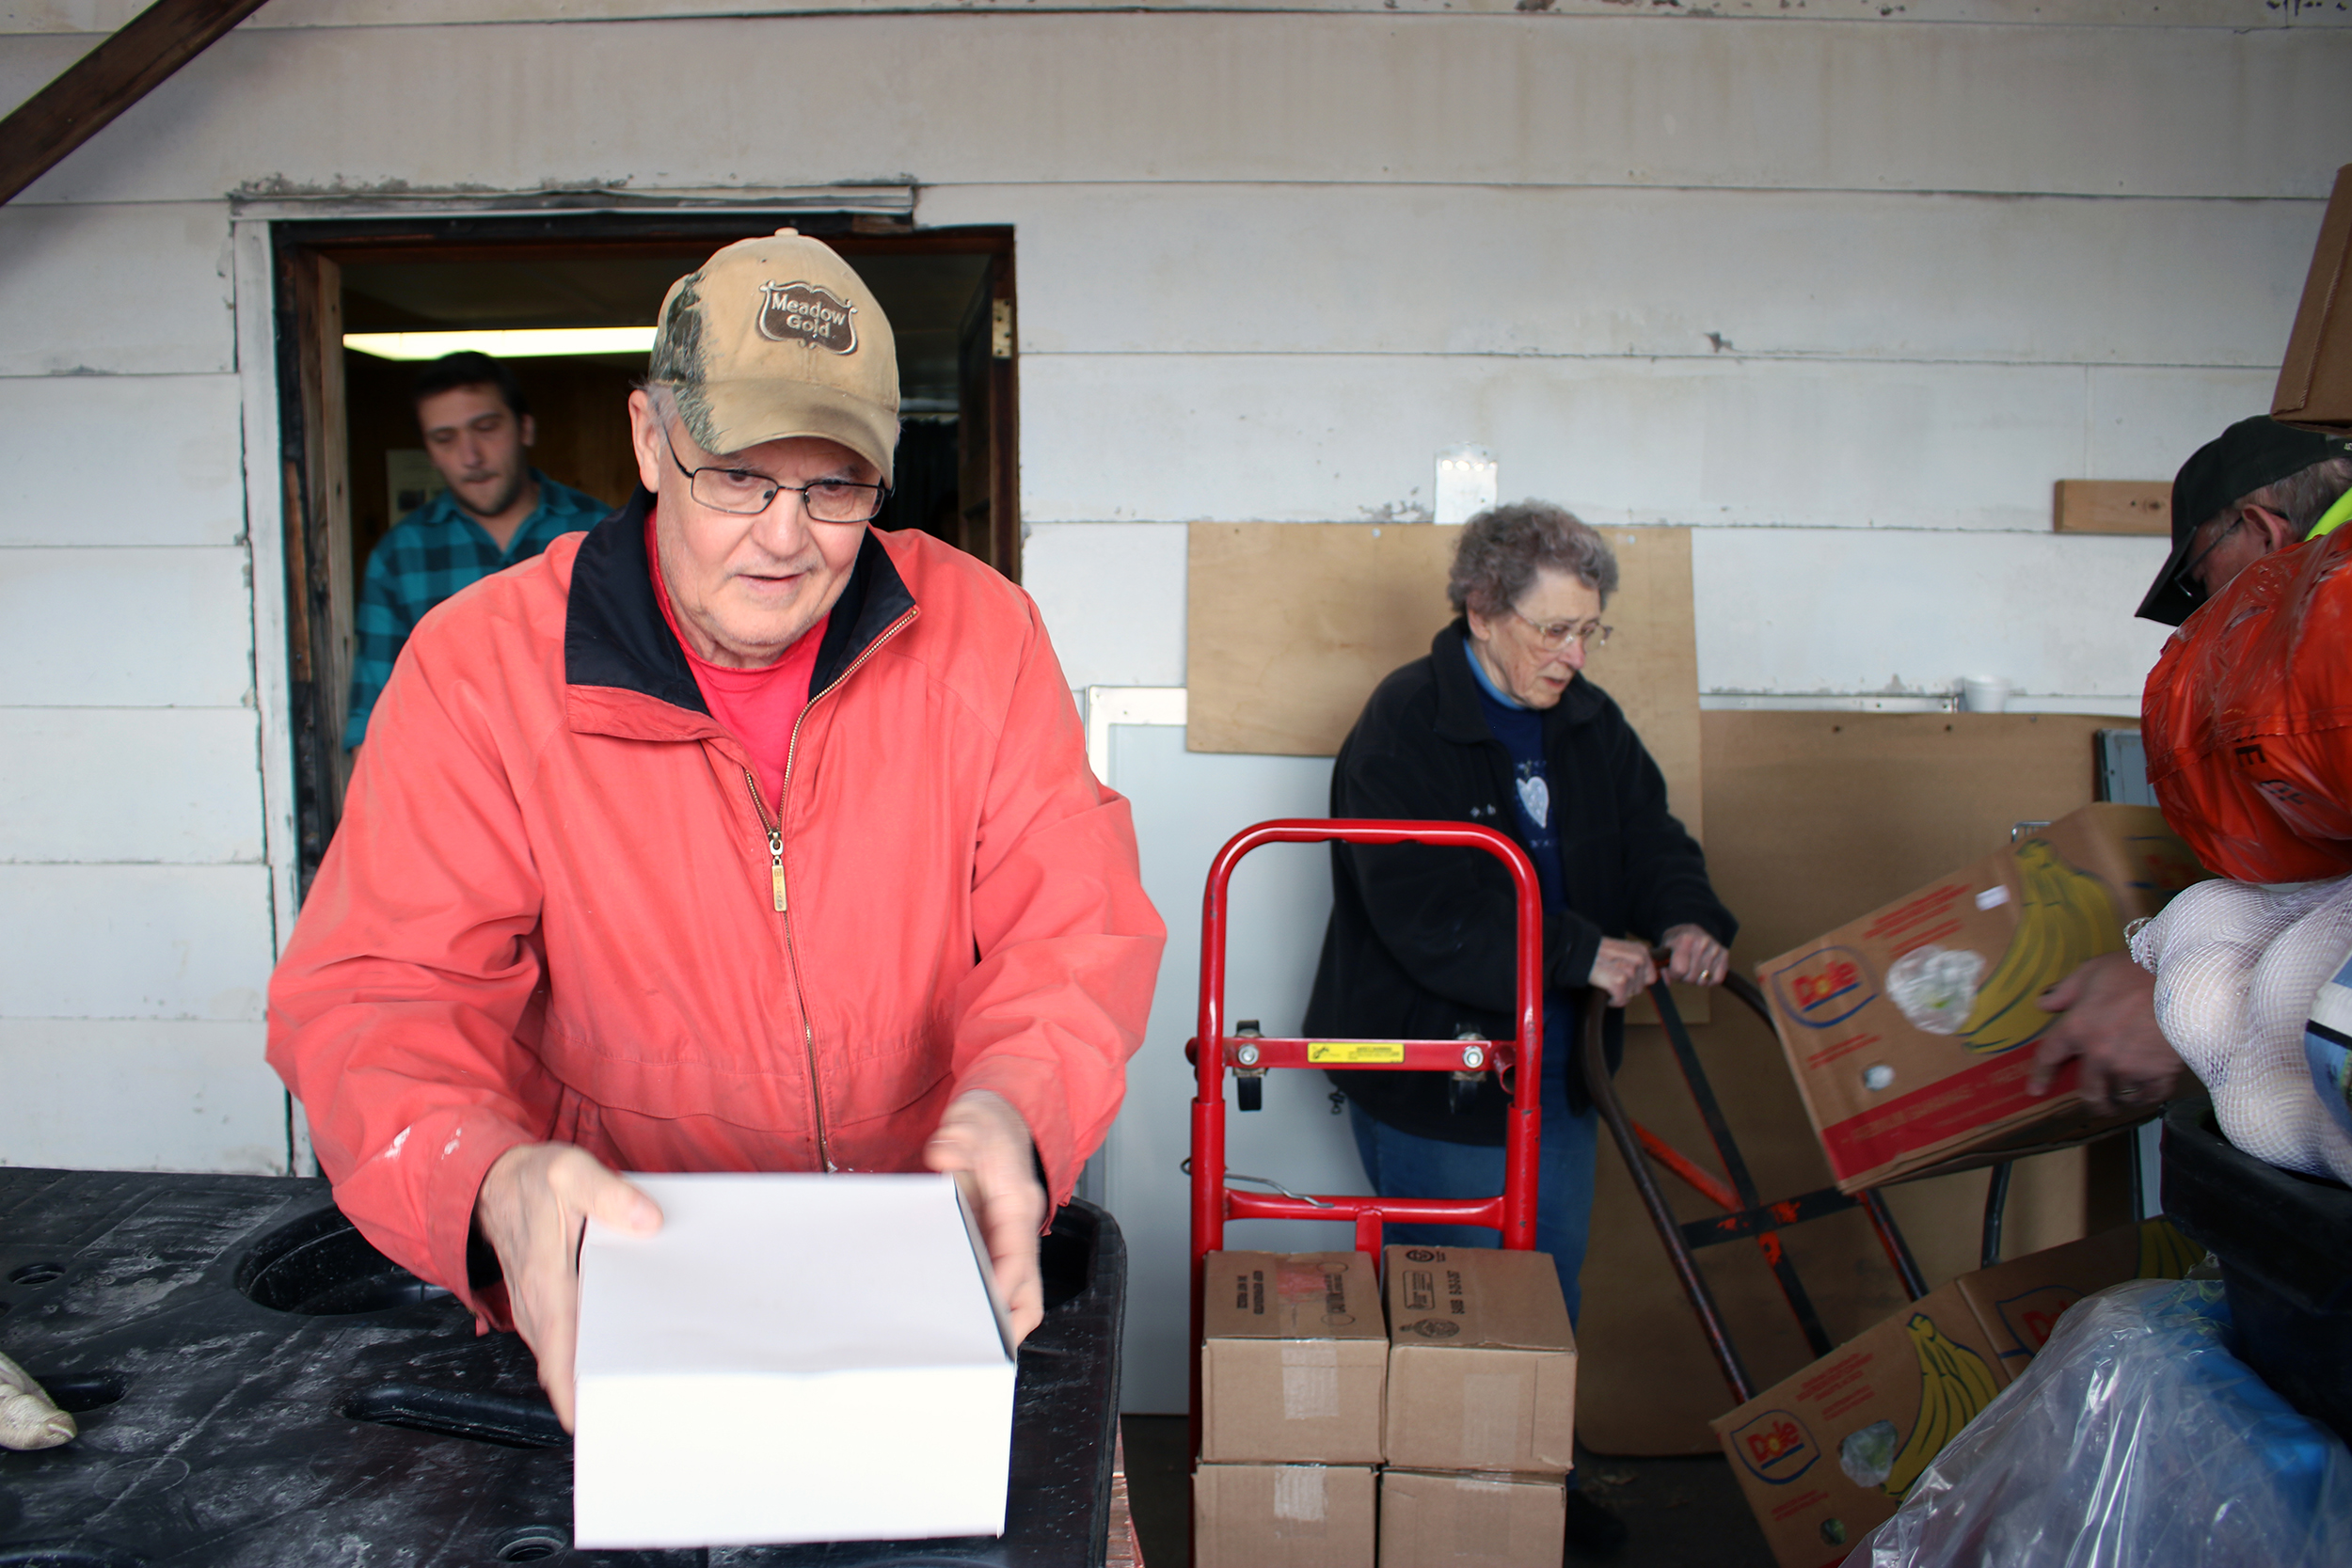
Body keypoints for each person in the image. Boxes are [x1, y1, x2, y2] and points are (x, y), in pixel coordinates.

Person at [268, 230, 1167, 1429]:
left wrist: (1019, 1106)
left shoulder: (982, 635)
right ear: (651, 438)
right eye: (738, 474)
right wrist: (485, 1177)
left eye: (833, 486)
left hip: (911, 1267)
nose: (786, 537)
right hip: (621, 1287)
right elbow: (378, 994)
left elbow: (1074, 921)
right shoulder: (480, 671)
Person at [1303, 502, 1737, 1557]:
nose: (1572, 653)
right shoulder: (1404, 723)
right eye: (1553, 630)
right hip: (1436, 1072)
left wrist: (1685, 915)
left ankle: (1539, 1485)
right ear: (1481, 609)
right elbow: (1424, 908)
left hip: (1560, 1069)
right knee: (1457, 1301)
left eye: (1589, 629)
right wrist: (1580, 950)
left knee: (1545, 1291)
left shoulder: (1588, 719)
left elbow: (1652, 836)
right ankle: (1447, 1514)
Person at [2029, 416, 2352, 1112]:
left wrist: (2191, 1002)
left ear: (2264, 533)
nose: (2202, 616)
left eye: (2202, 579)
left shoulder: (2340, 620)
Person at [345, 351, 610, 748]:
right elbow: (374, 722)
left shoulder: (601, 535)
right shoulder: (400, 557)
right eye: (445, 439)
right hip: (449, 787)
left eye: (486, 428)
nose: (470, 457)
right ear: (429, 452)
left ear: (525, 428)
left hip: (583, 779)